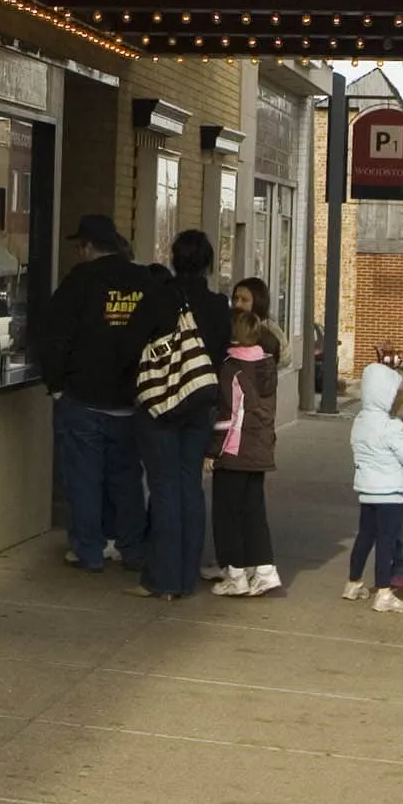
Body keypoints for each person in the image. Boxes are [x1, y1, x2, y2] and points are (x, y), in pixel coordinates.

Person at [121, 229, 231, 599]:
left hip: (158, 408)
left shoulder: (156, 298)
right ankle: (185, 576)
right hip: (199, 406)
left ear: (173, 258)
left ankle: (162, 579)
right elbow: (219, 356)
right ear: (208, 264)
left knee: (164, 487)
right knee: (190, 488)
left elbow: (130, 346)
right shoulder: (218, 306)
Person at [38, 215, 149, 574]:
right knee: (127, 480)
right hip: (130, 401)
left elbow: (53, 336)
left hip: (82, 398)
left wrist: (55, 386)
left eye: (78, 246)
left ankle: (89, 552)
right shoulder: (142, 280)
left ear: (87, 246)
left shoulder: (78, 282)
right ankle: (132, 548)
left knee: (84, 479)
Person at [209, 308, 282, 596]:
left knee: (228, 514)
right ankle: (264, 570)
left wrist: (213, 451)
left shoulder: (231, 368)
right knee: (253, 511)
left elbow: (230, 415)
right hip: (260, 450)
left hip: (234, 452)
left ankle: (236, 574)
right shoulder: (267, 366)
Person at [346, 360, 403, 614]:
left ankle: (353, 582)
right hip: (390, 494)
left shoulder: (360, 421)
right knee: (386, 543)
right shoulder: (392, 426)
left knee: (364, 537)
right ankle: (383, 592)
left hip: (367, 491)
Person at [232, 275, 290, 367]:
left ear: (258, 302)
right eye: (236, 298)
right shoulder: (232, 324)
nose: (238, 304)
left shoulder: (270, 331)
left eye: (244, 300)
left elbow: (284, 359)